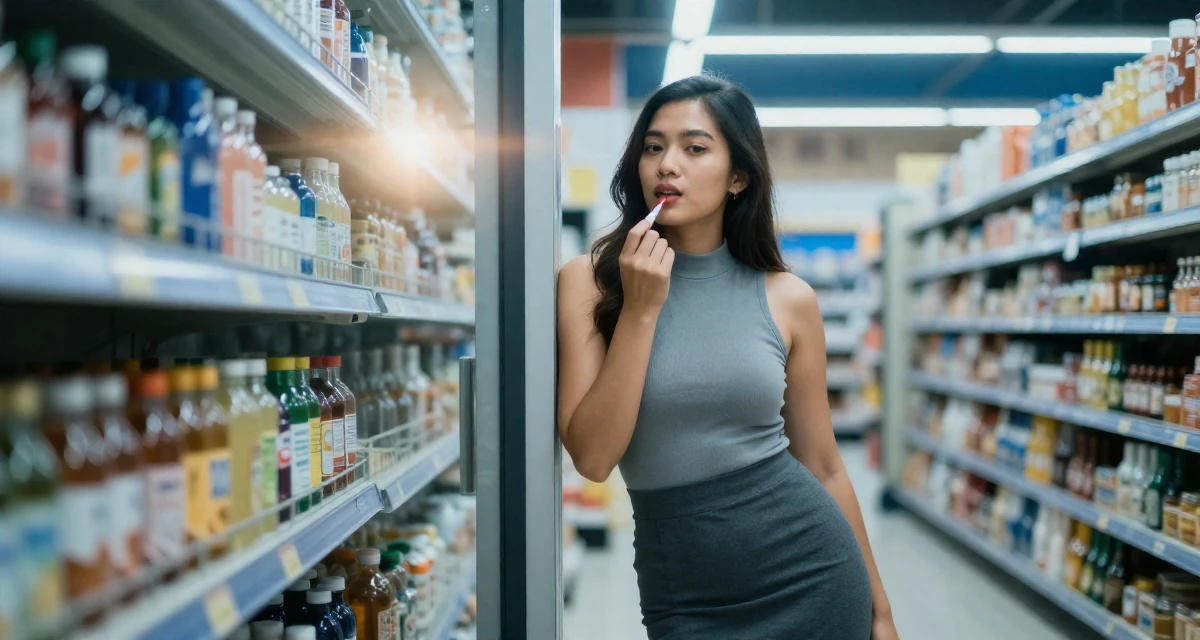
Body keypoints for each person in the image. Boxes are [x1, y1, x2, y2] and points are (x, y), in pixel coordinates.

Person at [556, 75, 898, 639]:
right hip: (684, 594)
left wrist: (880, 612)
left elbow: (825, 464)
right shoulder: (589, 283)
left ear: (738, 175)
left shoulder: (788, 298)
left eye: (695, 148)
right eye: (653, 146)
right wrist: (641, 311)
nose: (668, 164)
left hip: (813, 574)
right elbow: (593, 457)